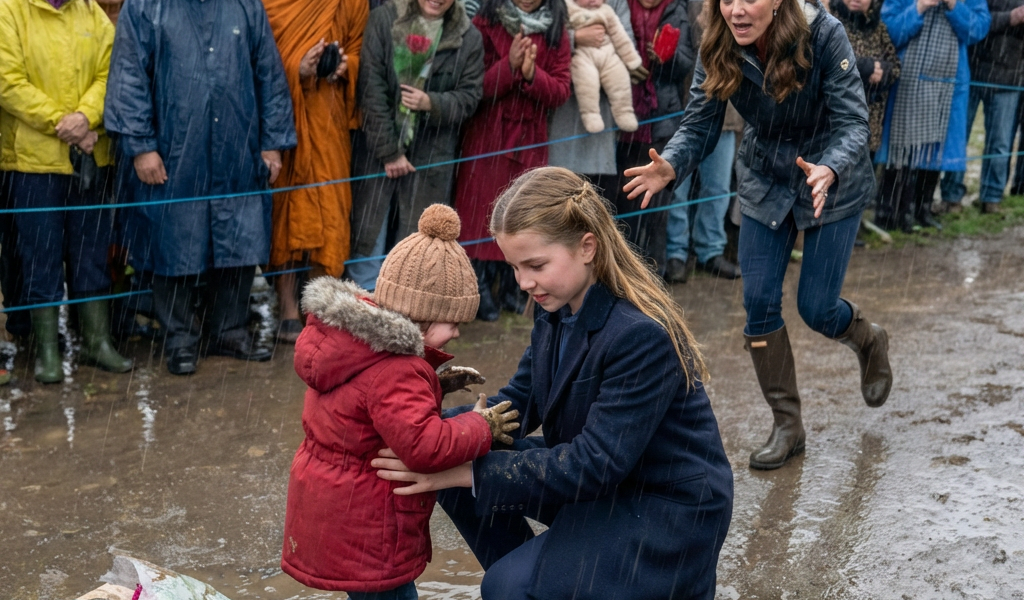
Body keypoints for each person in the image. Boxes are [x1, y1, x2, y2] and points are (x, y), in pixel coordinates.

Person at [373, 167, 733, 600]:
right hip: (608, 480)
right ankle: (547, 576)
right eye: (514, 267)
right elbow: (520, 403)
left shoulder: (640, 334)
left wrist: (469, 468)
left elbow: (594, 465)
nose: (524, 283)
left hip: (662, 505)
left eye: (536, 265)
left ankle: (534, 582)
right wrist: (450, 435)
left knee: (499, 576)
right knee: (449, 448)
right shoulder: (555, 306)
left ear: (587, 246)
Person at [624, 0, 893, 470]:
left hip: (829, 178)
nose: (737, 10)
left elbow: (854, 122)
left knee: (817, 308)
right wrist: (672, 163)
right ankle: (787, 425)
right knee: (760, 301)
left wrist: (830, 165)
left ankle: (868, 339)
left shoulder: (824, 34)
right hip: (765, 178)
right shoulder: (718, 39)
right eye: (727, 0)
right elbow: (700, 124)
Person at [281, 205, 518, 599]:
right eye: (452, 322)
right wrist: (481, 426)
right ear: (424, 315)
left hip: (340, 513)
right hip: (371, 527)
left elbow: (366, 408)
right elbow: (425, 447)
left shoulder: (356, 345)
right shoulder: (399, 369)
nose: (457, 333)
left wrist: (434, 387)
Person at [104, 0, 297, 376]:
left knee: (237, 243)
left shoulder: (245, 6)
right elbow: (129, 77)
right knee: (172, 247)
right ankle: (180, 338)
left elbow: (269, 75)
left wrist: (272, 142)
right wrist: (141, 146)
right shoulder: (144, 7)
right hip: (174, 154)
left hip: (237, 148)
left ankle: (228, 330)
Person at [0, 0, 133, 383]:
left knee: (91, 250)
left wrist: (85, 117)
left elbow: (111, 71)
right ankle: (46, 350)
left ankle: (96, 341)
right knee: (38, 254)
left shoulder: (90, 11)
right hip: (32, 163)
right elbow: (9, 82)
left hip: (89, 156)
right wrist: (62, 122)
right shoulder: (10, 11)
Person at [347, 0, 484, 295]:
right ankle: (361, 312)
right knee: (367, 237)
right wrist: (389, 152)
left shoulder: (468, 37)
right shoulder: (384, 20)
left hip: (433, 156)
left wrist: (431, 103)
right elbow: (371, 89)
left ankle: (407, 321)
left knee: (417, 246)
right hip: (375, 154)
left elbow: (470, 98)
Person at [453, 0, 571, 321]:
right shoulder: (482, 22)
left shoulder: (556, 28)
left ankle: (513, 288)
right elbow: (473, 87)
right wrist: (509, 65)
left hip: (530, 137)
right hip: (487, 134)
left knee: (524, 213)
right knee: (479, 211)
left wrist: (532, 74)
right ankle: (478, 287)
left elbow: (561, 90)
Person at [264, 0, 368, 344]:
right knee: (289, 216)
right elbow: (262, 56)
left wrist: (344, 66)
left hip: (329, 118)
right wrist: (297, 68)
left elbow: (358, 48)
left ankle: (319, 308)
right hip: (288, 120)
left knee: (329, 213)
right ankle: (288, 308)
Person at [874, 0, 989, 231]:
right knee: (902, 147)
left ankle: (922, 208)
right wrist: (919, 7)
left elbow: (977, 30)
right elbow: (888, 32)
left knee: (936, 147)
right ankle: (890, 211)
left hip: (948, 85)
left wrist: (954, 6)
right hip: (908, 82)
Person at [612, 0, 693, 274]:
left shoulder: (676, 12)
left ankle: (654, 275)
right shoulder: (622, 7)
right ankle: (626, 275)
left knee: (656, 208)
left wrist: (665, 59)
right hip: (625, 119)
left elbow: (686, 64)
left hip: (662, 120)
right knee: (624, 203)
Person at [664, 0, 742, 284]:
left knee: (718, 187)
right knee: (677, 186)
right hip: (684, 109)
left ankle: (711, 249)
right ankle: (676, 253)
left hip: (728, 110)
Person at [939, 0, 1024, 215]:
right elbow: (976, 23)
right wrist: (1010, 18)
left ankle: (992, 197)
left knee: (1001, 143)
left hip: (1011, 78)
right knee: (959, 137)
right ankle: (951, 196)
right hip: (972, 71)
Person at [829, 0, 900, 160]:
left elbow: (895, 66)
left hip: (868, 125)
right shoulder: (831, 23)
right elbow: (826, 61)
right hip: (833, 124)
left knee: (862, 180)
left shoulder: (877, 28)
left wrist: (883, 71)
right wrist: (863, 67)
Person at [565, 0, 647, 133]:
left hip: (606, 78)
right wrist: (574, 37)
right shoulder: (565, 5)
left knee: (620, 79)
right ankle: (590, 115)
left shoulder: (610, 8)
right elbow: (551, 34)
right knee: (586, 80)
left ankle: (624, 112)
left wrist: (631, 60)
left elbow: (623, 35)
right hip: (570, 82)